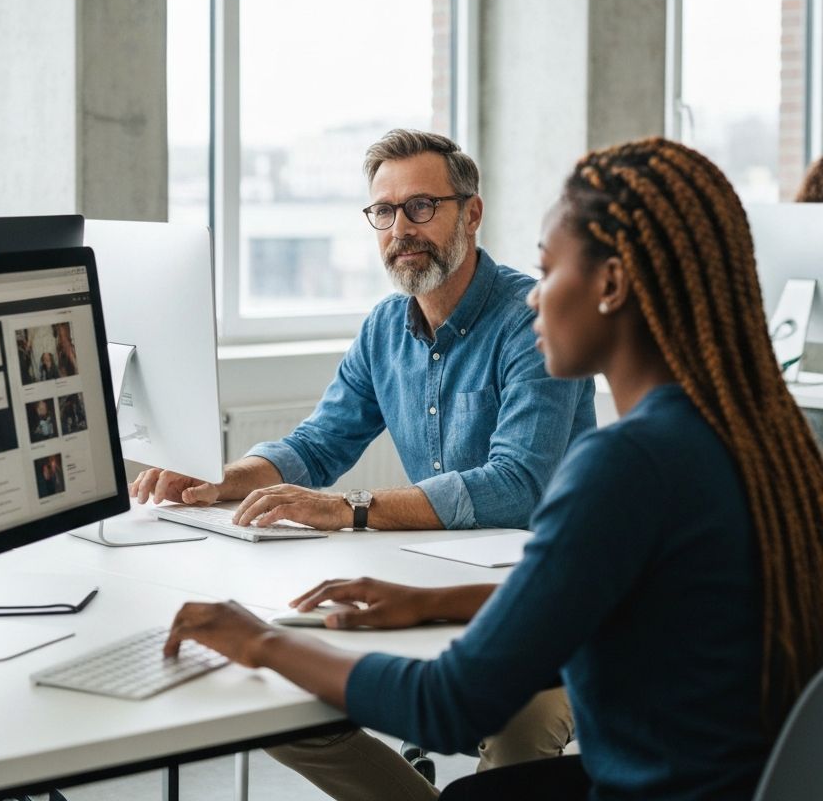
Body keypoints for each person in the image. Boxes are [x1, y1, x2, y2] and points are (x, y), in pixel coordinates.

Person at [163, 137, 823, 801]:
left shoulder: (627, 465)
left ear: (613, 284)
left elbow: (450, 704)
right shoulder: (747, 432)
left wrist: (261, 643)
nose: (537, 298)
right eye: (384, 212)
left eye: (550, 270)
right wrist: (429, 602)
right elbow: (611, 591)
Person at [134, 129, 594, 536]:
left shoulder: (534, 321)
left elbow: (517, 487)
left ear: (471, 214)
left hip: (547, 563)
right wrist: (219, 480)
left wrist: (348, 508)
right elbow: (316, 447)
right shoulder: (385, 328)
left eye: (421, 207)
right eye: (383, 211)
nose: (400, 230)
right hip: (443, 560)